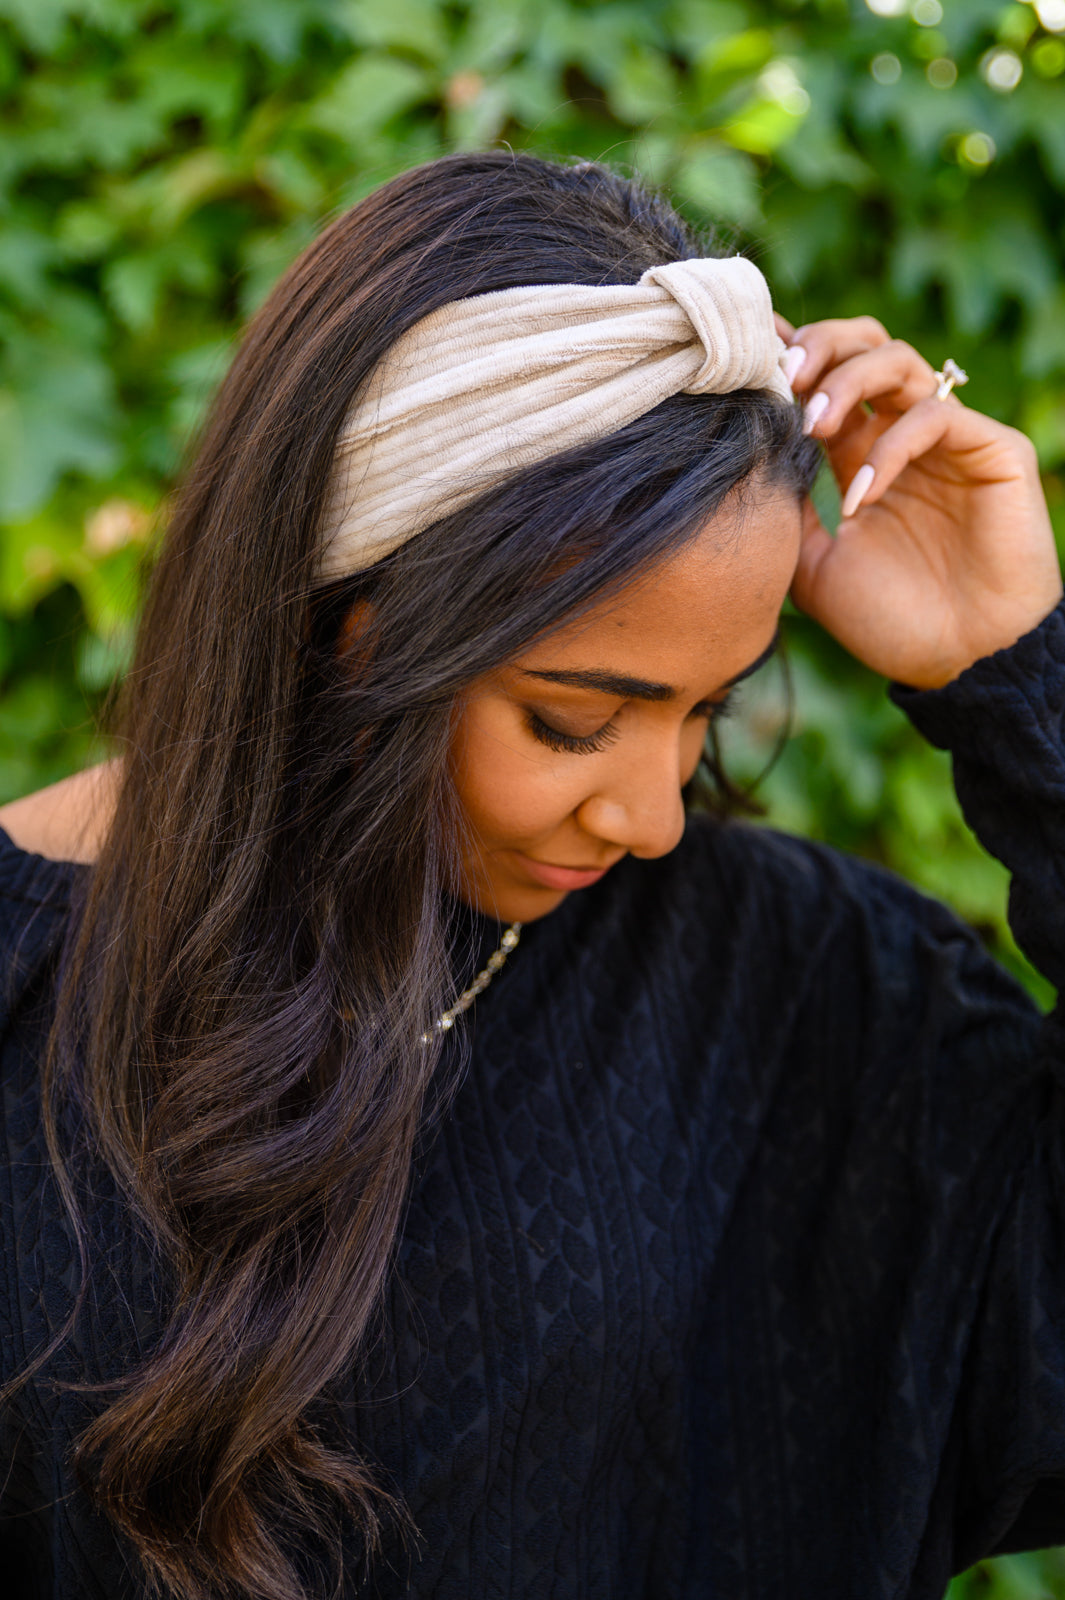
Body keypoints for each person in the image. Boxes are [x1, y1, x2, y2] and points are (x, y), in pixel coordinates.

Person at [0, 149, 1062, 1600]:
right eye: (575, 718)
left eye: (704, 712)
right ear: (346, 617)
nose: (651, 813)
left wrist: (1021, 685)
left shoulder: (796, 993)